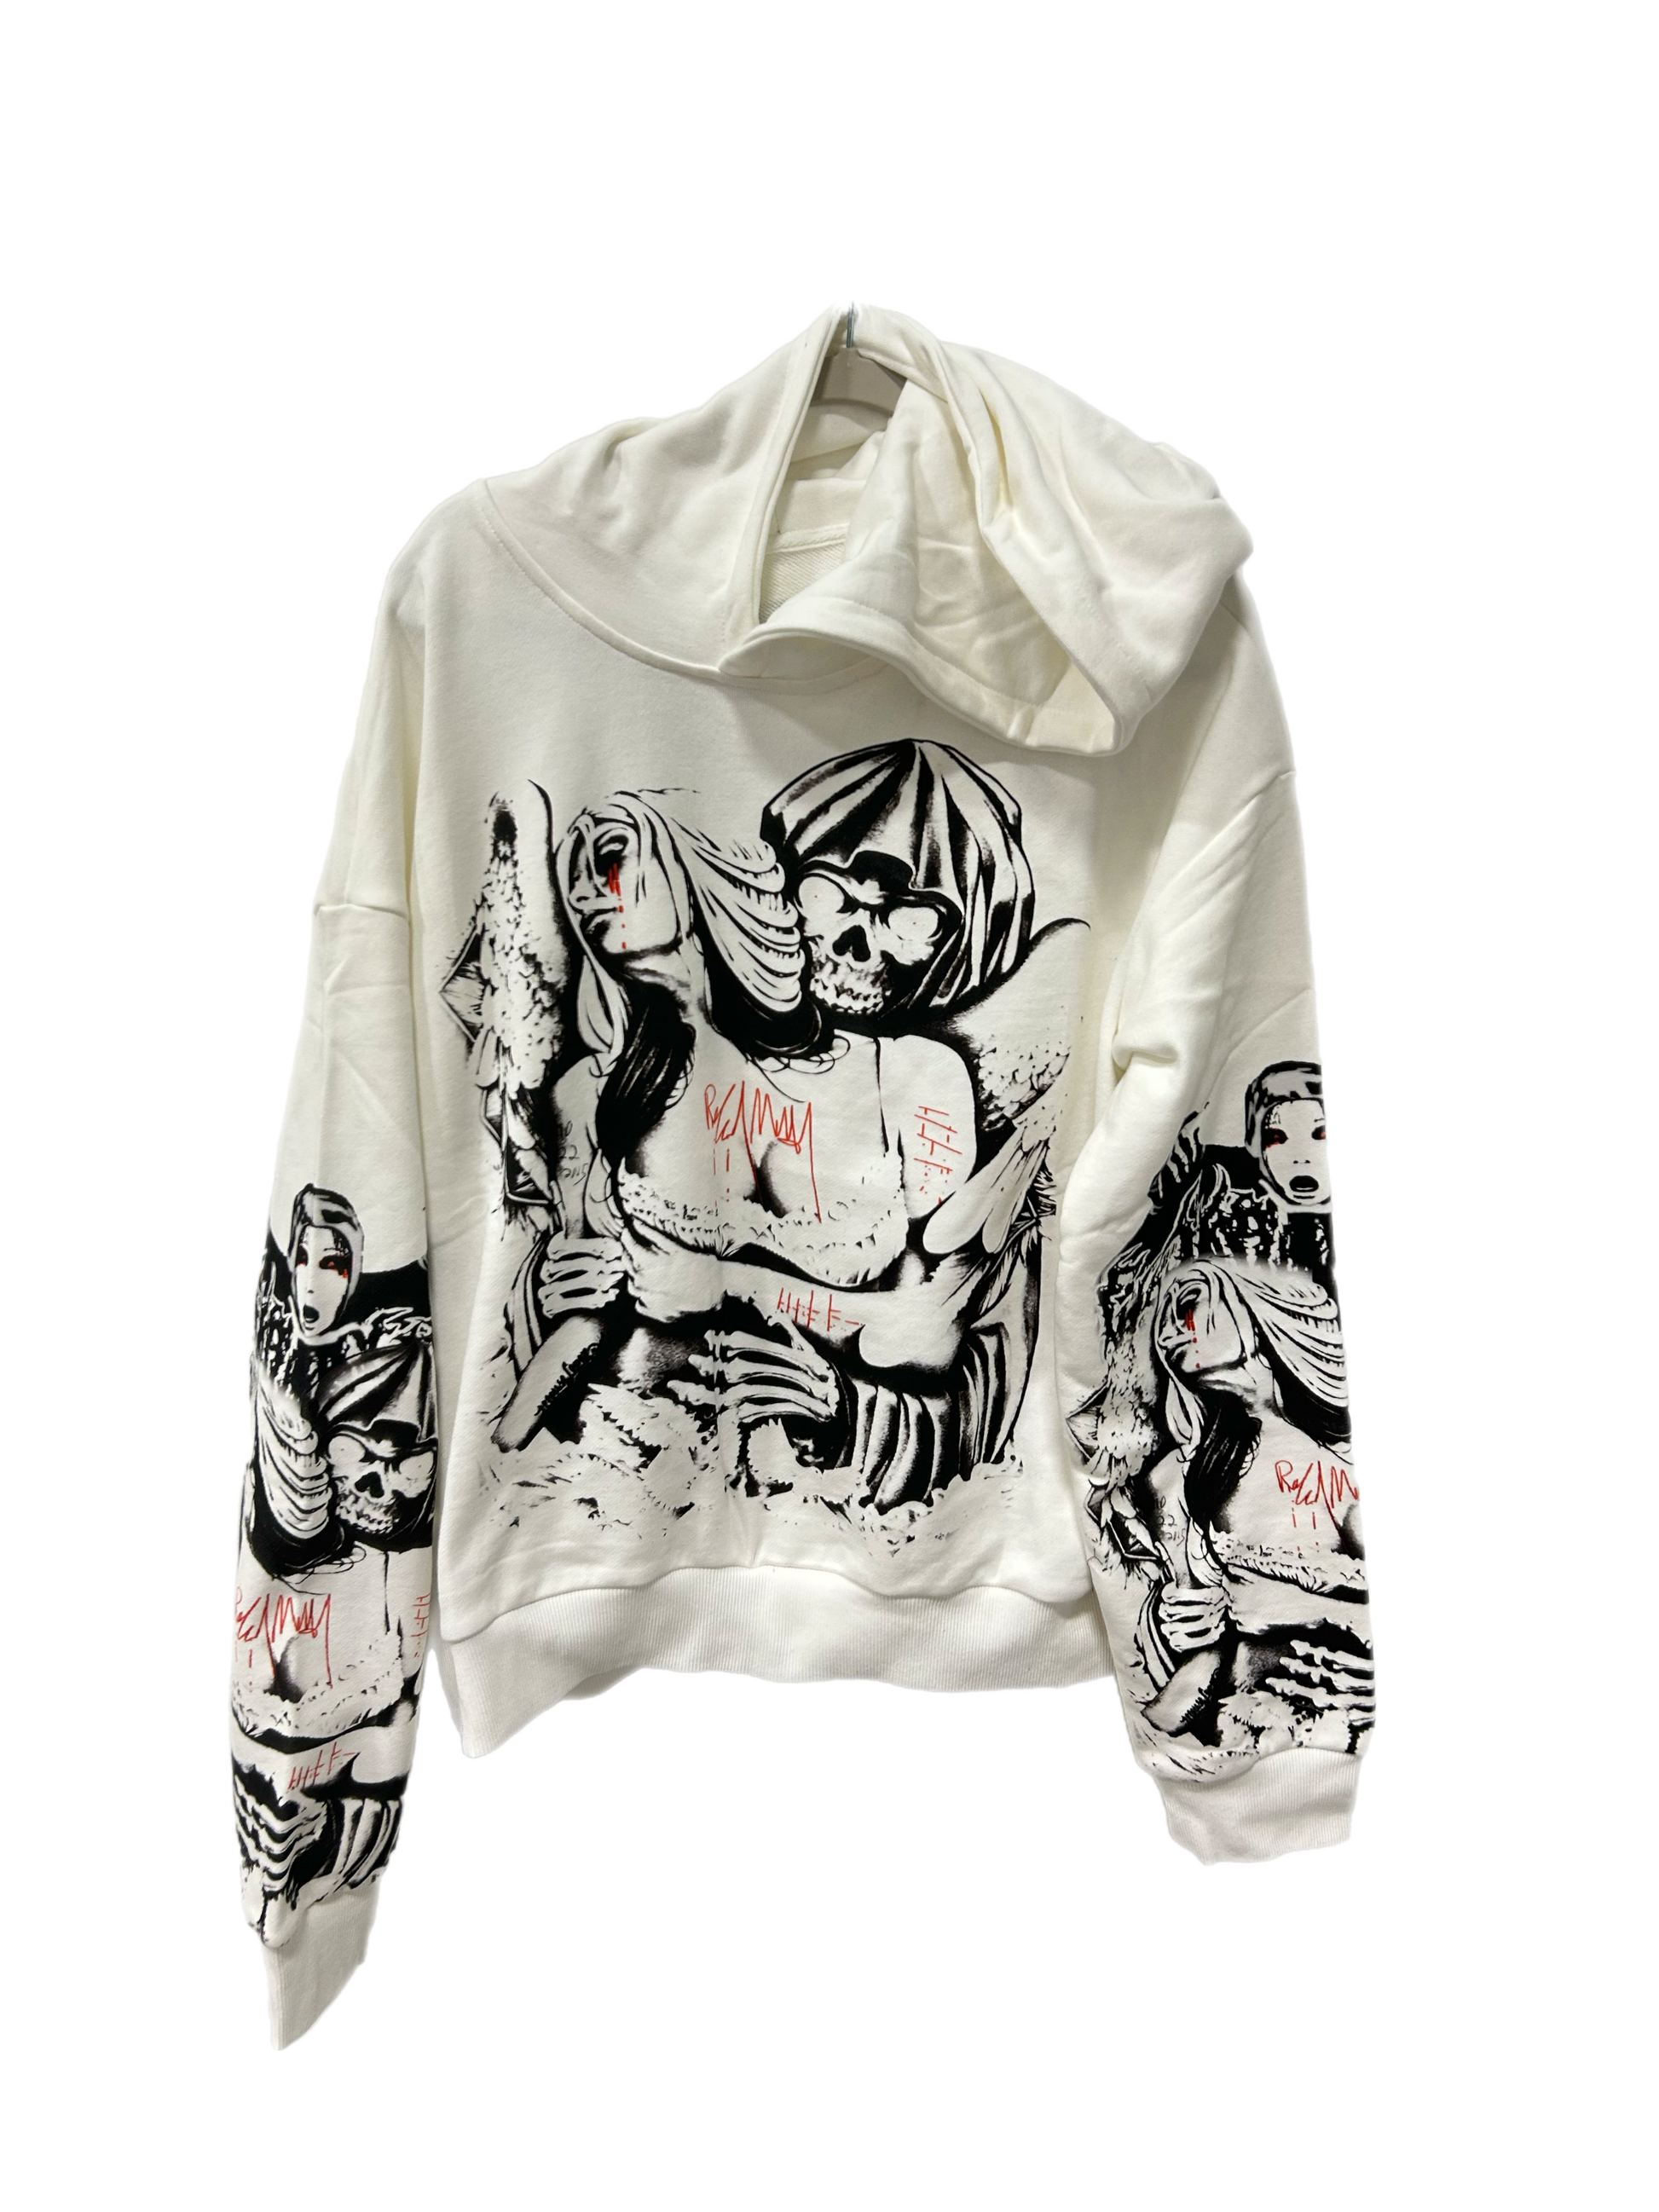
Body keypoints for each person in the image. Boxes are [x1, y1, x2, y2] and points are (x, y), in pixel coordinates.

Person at [1109, 1256, 1373, 1753]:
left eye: (1189, 1306)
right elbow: (1199, 1658)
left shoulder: (1338, 1464)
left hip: (1344, 1722)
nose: (1168, 1334)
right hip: (1229, 1726)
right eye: (1163, 1322)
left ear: (1256, 1311)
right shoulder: (1176, 1477)